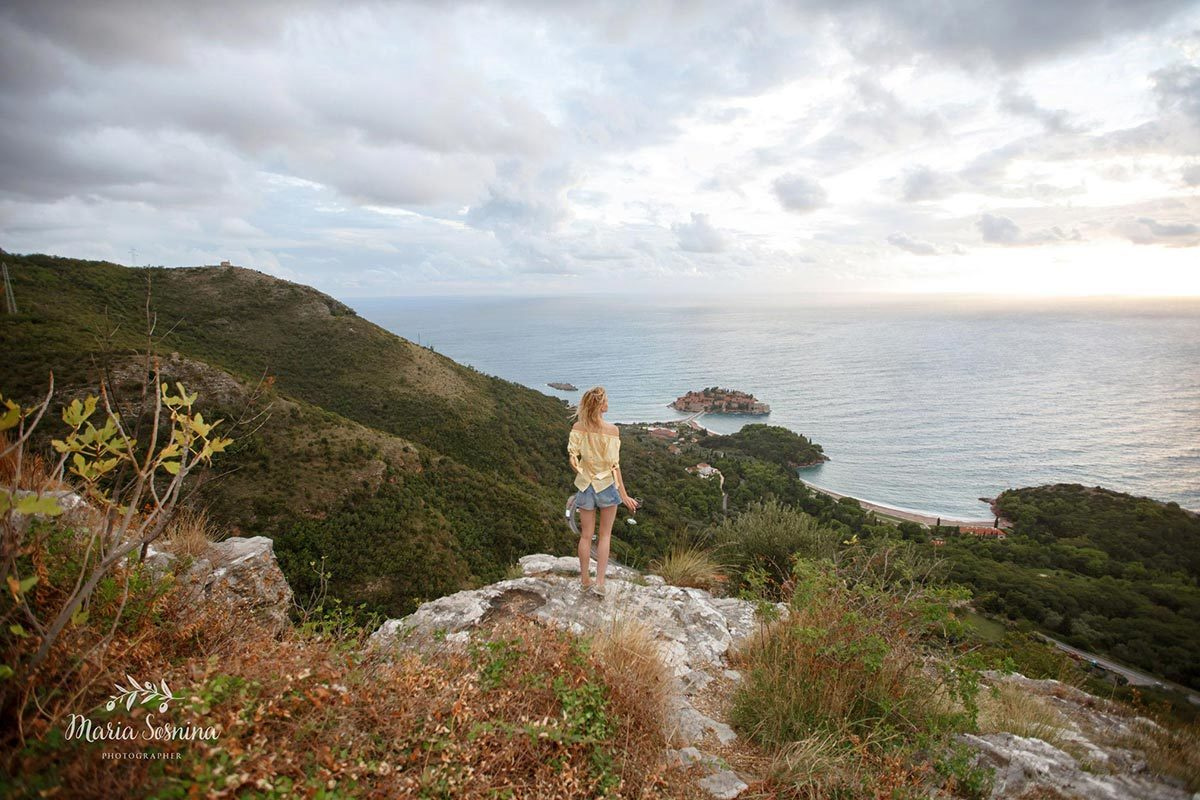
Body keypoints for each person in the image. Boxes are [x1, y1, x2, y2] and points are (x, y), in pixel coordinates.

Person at [567, 386, 639, 597]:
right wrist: (624, 495)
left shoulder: (578, 427)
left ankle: (585, 581)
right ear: (600, 405)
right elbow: (614, 466)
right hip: (607, 485)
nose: (608, 403)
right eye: (606, 400)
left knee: (586, 536)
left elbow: (573, 458)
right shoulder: (612, 431)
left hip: (585, 486)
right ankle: (600, 583)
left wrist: (583, 475)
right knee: (605, 535)